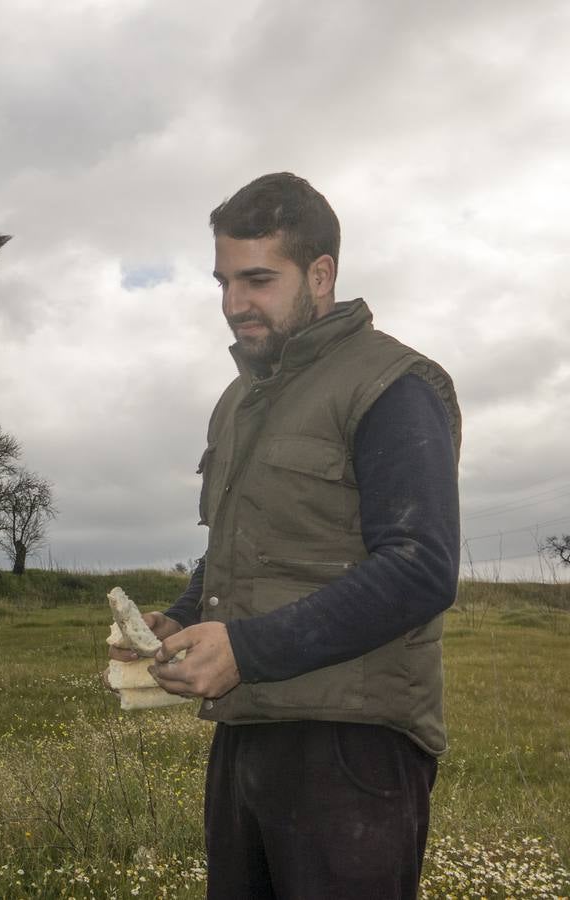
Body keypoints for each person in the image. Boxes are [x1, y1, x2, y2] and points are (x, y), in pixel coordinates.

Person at [110, 172, 460, 898]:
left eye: (259, 279)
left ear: (321, 273)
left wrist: (245, 648)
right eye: (225, 281)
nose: (236, 303)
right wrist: (176, 619)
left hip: (353, 745)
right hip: (247, 732)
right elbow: (239, 547)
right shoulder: (239, 401)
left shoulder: (393, 385)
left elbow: (421, 568)